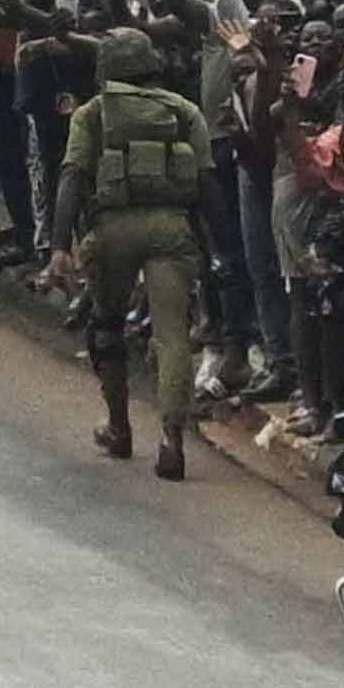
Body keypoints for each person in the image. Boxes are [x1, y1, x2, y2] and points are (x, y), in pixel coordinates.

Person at [61, 31, 215, 476]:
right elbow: (207, 184)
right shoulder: (183, 112)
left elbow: (72, 178)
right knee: (173, 337)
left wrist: (56, 247)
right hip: (172, 228)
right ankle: (172, 440)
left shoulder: (93, 113)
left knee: (106, 324)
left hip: (113, 230)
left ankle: (119, 426)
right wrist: (219, 249)